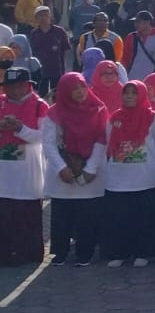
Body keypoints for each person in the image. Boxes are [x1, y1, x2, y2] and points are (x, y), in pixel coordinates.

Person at [42, 71, 107, 265]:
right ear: (64, 91)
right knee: (62, 214)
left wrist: (91, 169)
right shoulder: (54, 112)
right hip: (63, 173)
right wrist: (61, 168)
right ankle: (60, 252)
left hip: (90, 173)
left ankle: (84, 252)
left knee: (87, 216)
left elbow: (101, 140)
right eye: (74, 89)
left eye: (82, 87)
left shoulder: (98, 109)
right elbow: (49, 143)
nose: (79, 92)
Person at [100, 80, 155, 267]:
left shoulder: (153, 118)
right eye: (126, 92)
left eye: (134, 93)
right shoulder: (114, 118)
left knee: (144, 219)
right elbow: (108, 142)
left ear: (142, 95)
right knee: (119, 218)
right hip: (118, 178)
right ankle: (119, 253)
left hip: (144, 178)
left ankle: (143, 253)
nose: (129, 96)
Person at [0, 66, 48, 265]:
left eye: (20, 86)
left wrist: (21, 129)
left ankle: (28, 254)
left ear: (29, 86)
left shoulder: (40, 106)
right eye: (11, 87)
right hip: (4, 172)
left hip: (28, 172)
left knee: (26, 215)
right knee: (4, 214)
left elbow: (44, 137)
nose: (16, 91)